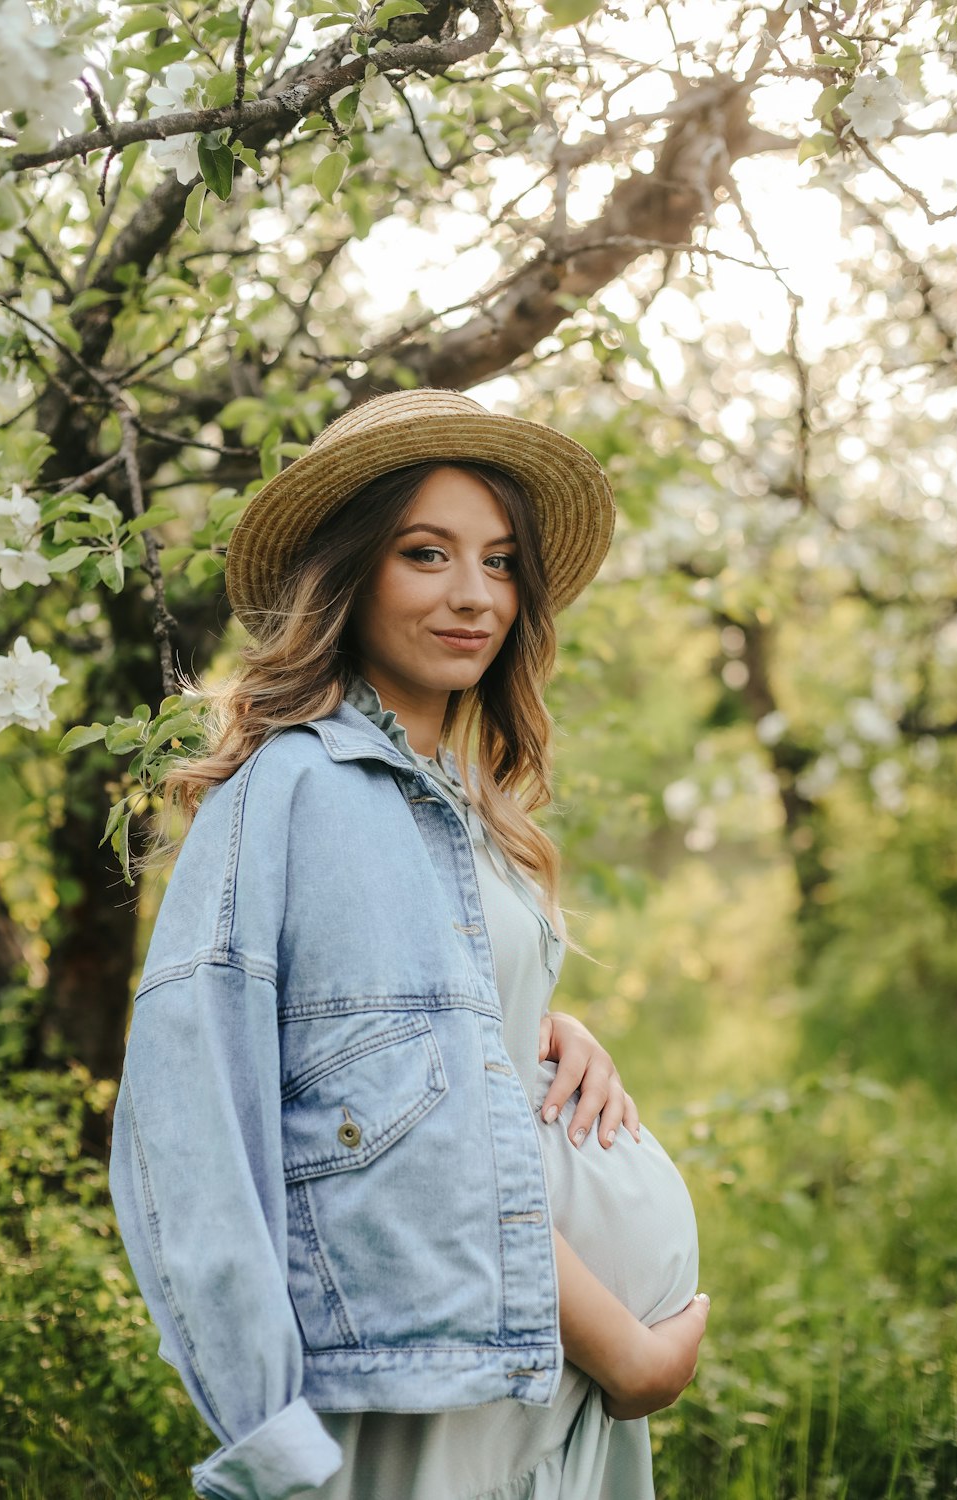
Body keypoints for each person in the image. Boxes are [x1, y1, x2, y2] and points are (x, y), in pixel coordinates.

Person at [109, 388, 708, 1500]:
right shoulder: (292, 789)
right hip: (433, 1373)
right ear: (352, 571)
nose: (473, 596)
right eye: (426, 554)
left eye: (500, 562)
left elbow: (429, 1040)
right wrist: (626, 1351)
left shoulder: (471, 804)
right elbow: (188, 1123)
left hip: (534, 1377)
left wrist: (548, 1032)